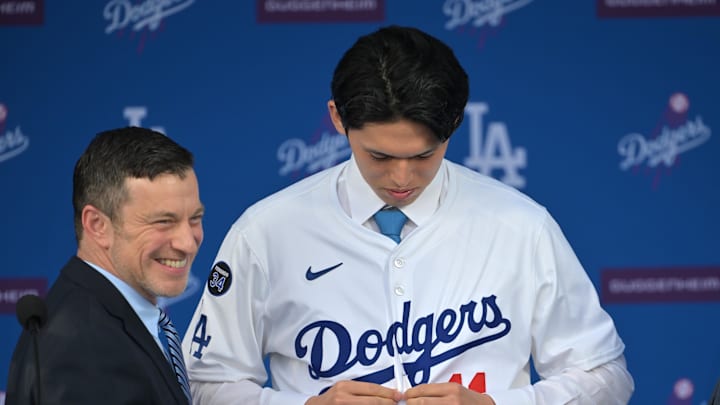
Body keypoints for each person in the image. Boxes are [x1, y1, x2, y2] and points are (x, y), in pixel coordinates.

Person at [182, 25, 634, 404]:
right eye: (379, 155)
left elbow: (607, 376)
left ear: (455, 124)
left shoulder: (521, 225)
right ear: (338, 119)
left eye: (424, 155)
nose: (402, 177)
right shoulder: (265, 231)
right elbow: (203, 383)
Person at [6, 127, 205, 404]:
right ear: (97, 225)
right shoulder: (81, 350)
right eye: (164, 222)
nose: (188, 242)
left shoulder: (99, 319)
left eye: (195, 218)